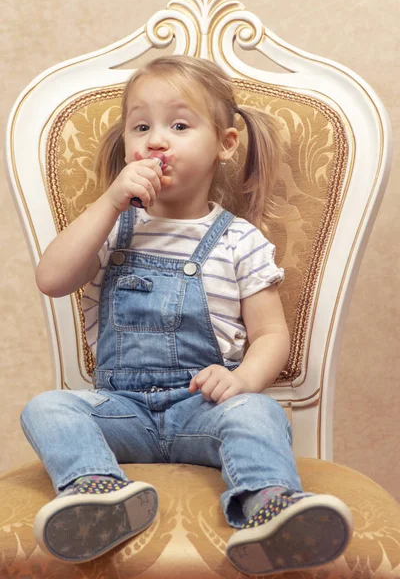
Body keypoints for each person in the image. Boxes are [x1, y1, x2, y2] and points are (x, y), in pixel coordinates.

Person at [21, 55, 353, 575]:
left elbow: (271, 335)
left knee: (259, 412)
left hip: (200, 412)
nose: (156, 140)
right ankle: (99, 493)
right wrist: (110, 201)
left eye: (179, 125)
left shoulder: (239, 241)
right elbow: (52, 278)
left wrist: (242, 380)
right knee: (47, 408)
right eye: (141, 126)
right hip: (123, 411)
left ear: (224, 144)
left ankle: (270, 508)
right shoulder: (112, 228)